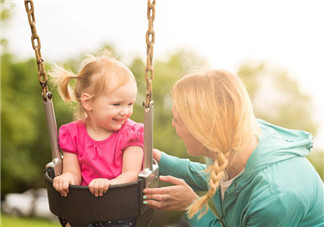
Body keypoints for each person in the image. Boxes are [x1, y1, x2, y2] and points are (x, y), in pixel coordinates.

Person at [143, 69, 324, 226]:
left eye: (177, 120)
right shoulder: (236, 136)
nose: (173, 125)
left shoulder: (275, 199)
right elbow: (219, 176)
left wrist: (192, 207)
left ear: (202, 131)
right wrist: (162, 161)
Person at [50, 51, 143, 227]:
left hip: (119, 210)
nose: (126, 111)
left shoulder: (131, 133)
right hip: (84, 208)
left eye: (129, 104)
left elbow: (131, 174)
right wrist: (66, 179)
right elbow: (73, 173)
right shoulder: (72, 134)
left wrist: (109, 183)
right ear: (88, 102)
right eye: (117, 104)